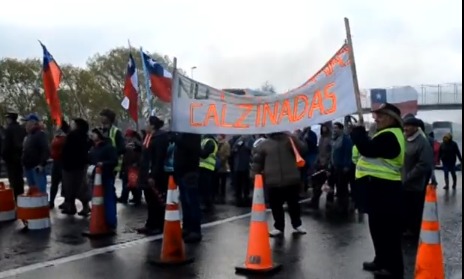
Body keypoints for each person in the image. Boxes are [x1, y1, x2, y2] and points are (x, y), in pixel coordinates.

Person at [351, 103, 405, 278]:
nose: (376, 118)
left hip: (385, 188)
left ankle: (393, 268)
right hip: (377, 188)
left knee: (388, 231)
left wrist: (358, 132)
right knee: (377, 228)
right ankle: (380, 260)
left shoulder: (390, 135)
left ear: (391, 118)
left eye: (380, 115)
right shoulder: (384, 133)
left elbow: (367, 149)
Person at [251, 132, 308, 237]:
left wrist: (293, 138)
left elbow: (303, 150)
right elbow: (257, 162)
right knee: (276, 205)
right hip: (273, 181)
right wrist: (254, 175)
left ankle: (297, 224)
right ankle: (279, 227)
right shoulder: (264, 144)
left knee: (294, 204)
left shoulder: (290, 140)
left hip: (291, 179)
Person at [137, 116, 169, 235]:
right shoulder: (149, 137)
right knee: (150, 201)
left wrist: (153, 175)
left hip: (155, 175)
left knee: (156, 201)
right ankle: (150, 224)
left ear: (153, 125)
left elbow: (158, 159)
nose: (146, 125)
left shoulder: (159, 138)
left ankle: (158, 225)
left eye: (148, 123)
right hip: (146, 173)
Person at [402, 117, 434, 239]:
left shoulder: (422, 142)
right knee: (404, 208)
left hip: (415, 184)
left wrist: (409, 177)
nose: (405, 128)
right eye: (404, 126)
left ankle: (414, 231)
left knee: (414, 209)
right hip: (403, 182)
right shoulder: (404, 139)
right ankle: (405, 228)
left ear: (416, 127)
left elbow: (424, 164)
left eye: (408, 126)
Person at [174, 132, 202, 243]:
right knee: (185, 202)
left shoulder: (193, 134)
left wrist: (177, 139)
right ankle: (187, 227)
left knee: (192, 202)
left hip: (189, 172)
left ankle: (195, 230)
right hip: (182, 171)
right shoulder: (183, 134)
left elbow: (192, 148)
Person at [88, 128, 119, 232]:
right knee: (98, 199)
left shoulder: (108, 147)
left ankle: (110, 221)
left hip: (106, 176)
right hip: (95, 178)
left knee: (108, 198)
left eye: (94, 133)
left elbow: (114, 161)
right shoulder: (93, 149)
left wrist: (103, 164)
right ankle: (99, 217)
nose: (92, 135)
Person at [61, 118, 92, 216]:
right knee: (74, 187)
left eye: (73, 124)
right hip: (77, 165)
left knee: (74, 187)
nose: (71, 125)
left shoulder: (75, 136)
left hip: (72, 165)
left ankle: (81, 207)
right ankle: (73, 206)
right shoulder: (83, 136)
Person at [22, 114, 50, 195]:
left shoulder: (40, 134)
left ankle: (42, 206)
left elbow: (45, 150)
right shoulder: (29, 136)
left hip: (36, 168)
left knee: (40, 191)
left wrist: (41, 164)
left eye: (27, 123)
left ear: (33, 123)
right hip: (28, 167)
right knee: (33, 191)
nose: (25, 125)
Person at [1, 112, 26, 200]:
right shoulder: (22, 129)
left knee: (13, 179)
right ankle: (21, 195)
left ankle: (16, 197)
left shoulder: (9, 130)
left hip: (11, 158)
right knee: (19, 178)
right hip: (20, 157)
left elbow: (6, 145)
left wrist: (4, 156)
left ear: (10, 119)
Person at [329, 122, 353, 213]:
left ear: (341, 129)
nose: (334, 130)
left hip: (342, 167)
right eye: (333, 128)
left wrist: (346, 165)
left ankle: (343, 206)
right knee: (335, 185)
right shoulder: (334, 139)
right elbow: (332, 153)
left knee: (342, 187)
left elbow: (348, 153)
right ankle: (338, 204)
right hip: (334, 166)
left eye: (336, 128)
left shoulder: (346, 140)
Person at [49, 120, 70, 209]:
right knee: (54, 182)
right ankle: (52, 201)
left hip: (62, 161)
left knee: (64, 183)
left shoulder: (65, 137)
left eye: (56, 125)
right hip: (56, 161)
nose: (55, 127)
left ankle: (67, 202)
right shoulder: (57, 136)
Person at [215, 134, 230, 204]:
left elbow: (227, 154)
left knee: (223, 183)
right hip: (216, 165)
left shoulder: (226, 144)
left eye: (219, 135)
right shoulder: (216, 143)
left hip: (223, 166)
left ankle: (222, 197)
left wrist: (221, 160)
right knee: (216, 182)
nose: (218, 137)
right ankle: (217, 196)